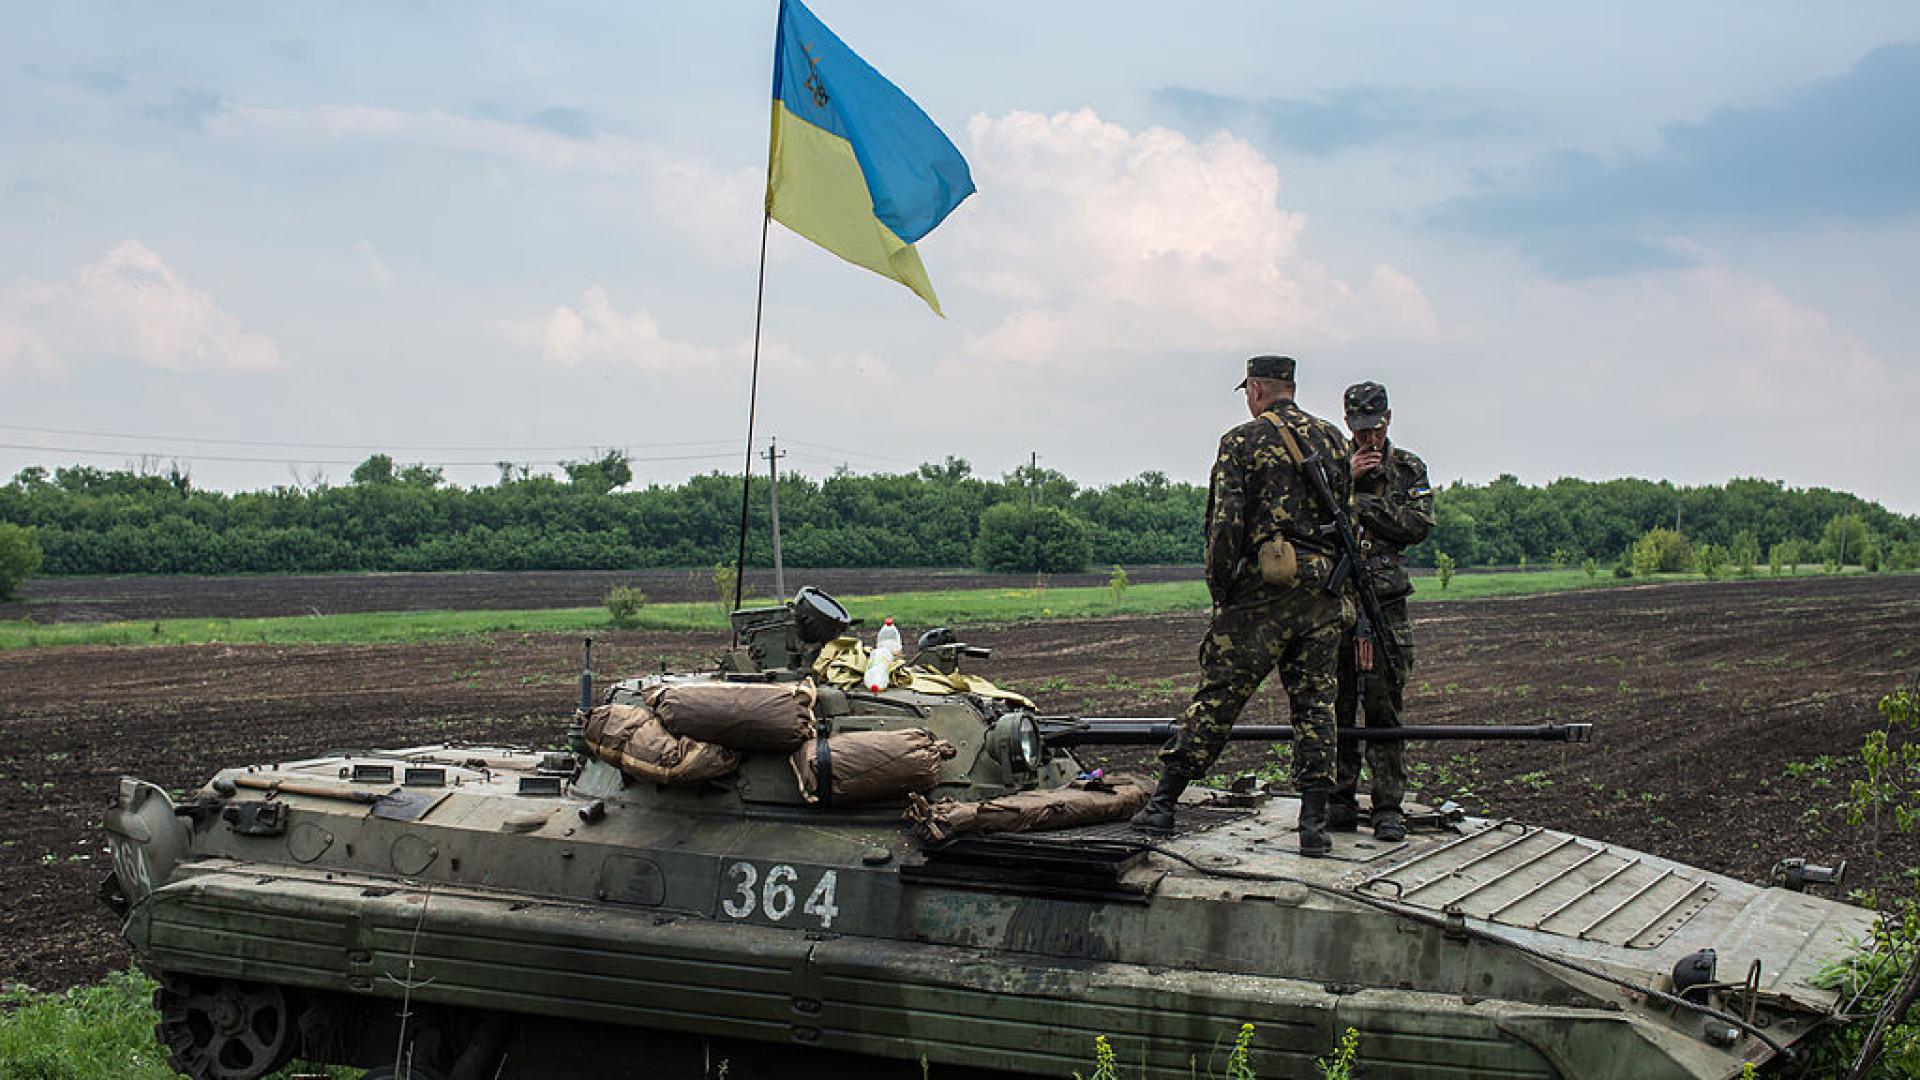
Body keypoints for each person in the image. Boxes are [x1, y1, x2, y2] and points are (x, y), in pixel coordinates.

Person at [1132, 354, 1355, 856]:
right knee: (1317, 707)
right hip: (1323, 591)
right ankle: (1313, 827)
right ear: (1290, 388)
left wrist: (1222, 593)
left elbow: (1225, 524)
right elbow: (1350, 519)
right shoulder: (1334, 440)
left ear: (1256, 389)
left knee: (1219, 696)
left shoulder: (1242, 440)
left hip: (1264, 589)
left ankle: (1164, 804)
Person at [1330, 381, 1434, 843]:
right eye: (1359, 429)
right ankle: (1338, 797)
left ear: (1388, 419)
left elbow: (1417, 525)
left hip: (1386, 604)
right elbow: (1311, 518)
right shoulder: (1331, 463)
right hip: (1340, 602)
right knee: (1337, 703)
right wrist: (1345, 480)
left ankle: (1387, 806)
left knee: (1385, 707)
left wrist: (1360, 503)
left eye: (1374, 428)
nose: (1368, 439)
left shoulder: (1407, 467)